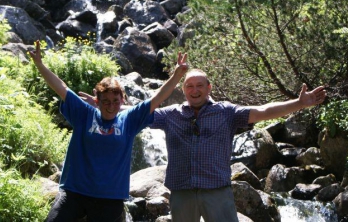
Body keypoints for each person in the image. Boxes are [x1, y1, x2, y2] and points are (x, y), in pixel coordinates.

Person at [79, 68, 327, 222]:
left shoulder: (227, 112)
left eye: (199, 85)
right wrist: (105, 106)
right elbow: (136, 114)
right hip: (182, 193)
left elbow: (263, 111)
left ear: (209, 88)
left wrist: (299, 103)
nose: (194, 90)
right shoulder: (170, 114)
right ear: (183, 90)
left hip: (217, 191)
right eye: (189, 86)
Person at [28, 40, 188, 222]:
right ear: (97, 101)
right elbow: (61, 88)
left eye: (115, 101)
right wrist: (40, 65)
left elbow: (157, 96)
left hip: (110, 197)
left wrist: (177, 75)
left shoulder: (129, 119)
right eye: (105, 101)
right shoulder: (85, 114)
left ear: (122, 101)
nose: (110, 106)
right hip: (75, 192)